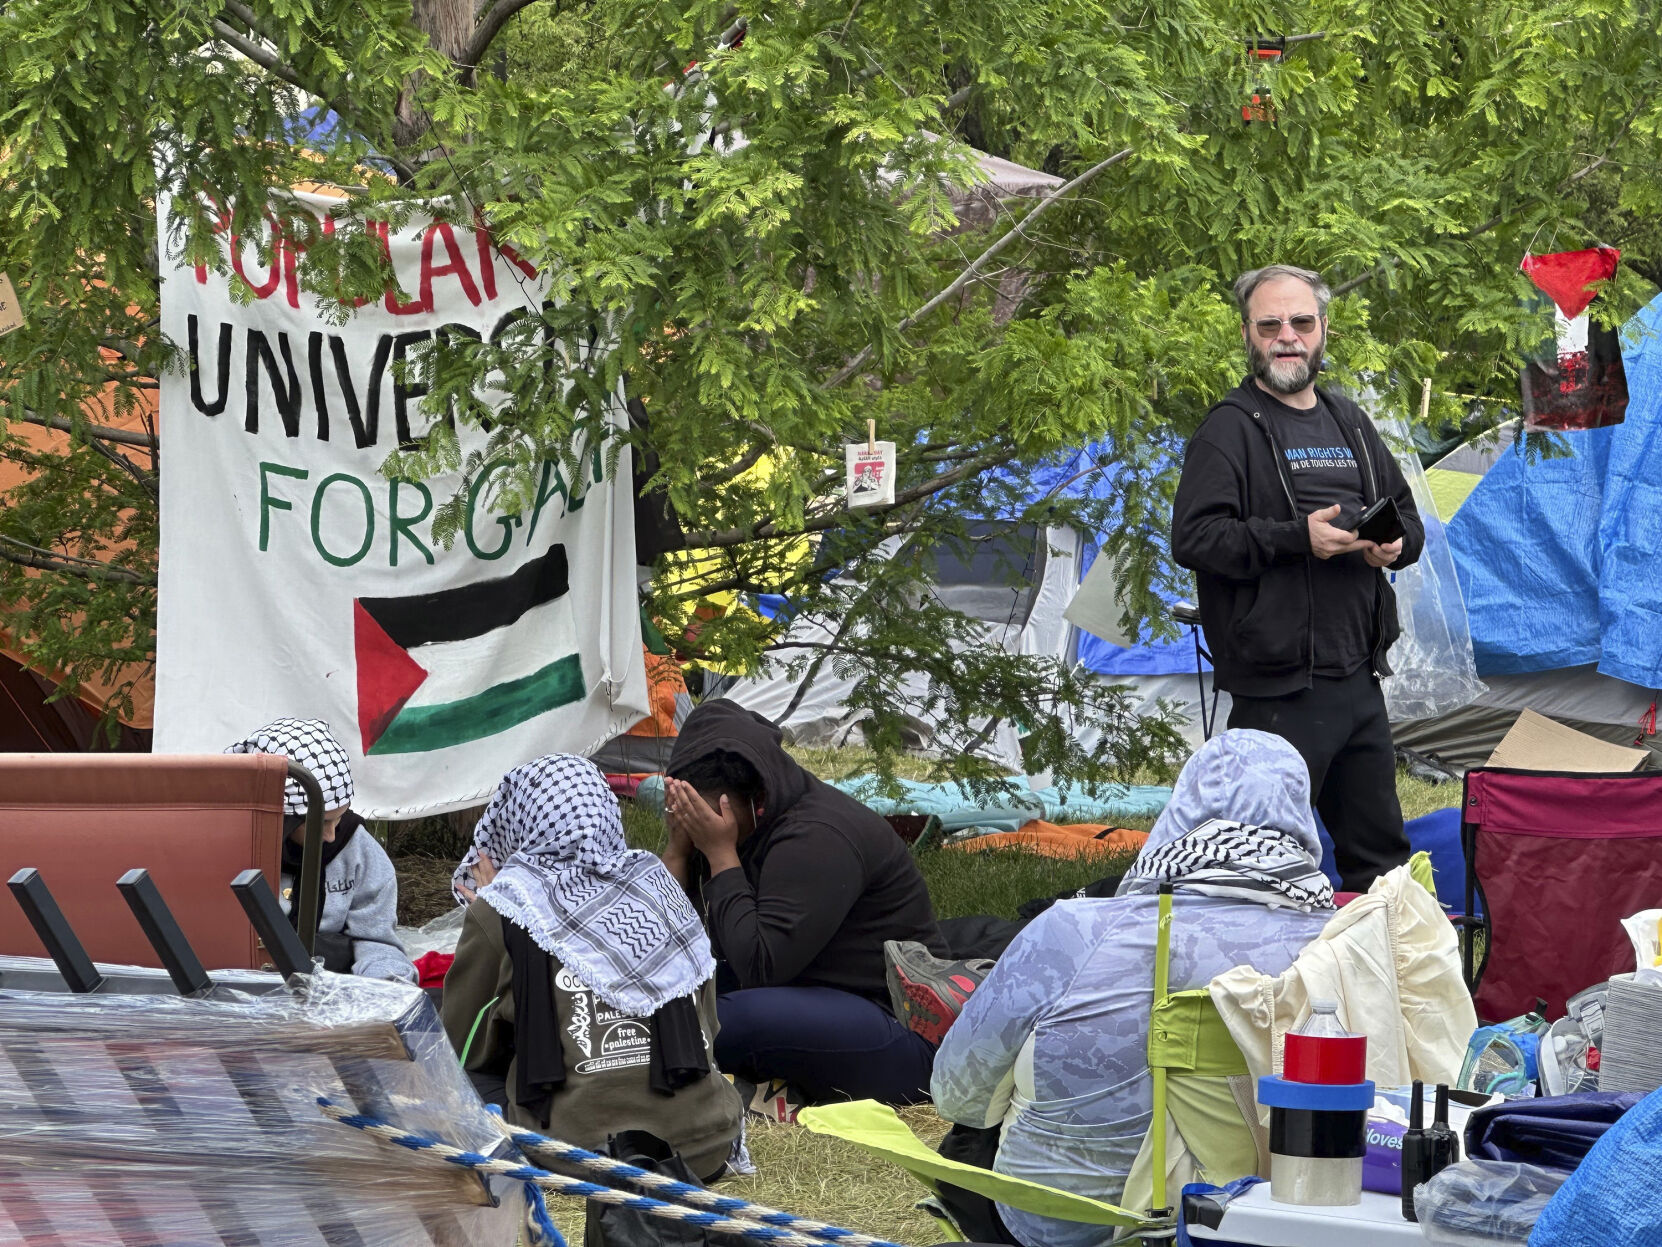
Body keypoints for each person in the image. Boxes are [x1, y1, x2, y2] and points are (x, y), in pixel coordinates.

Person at [932, 730, 1336, 1247]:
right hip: (1261, 1219)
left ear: (1182, 807)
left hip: (1064, 1222)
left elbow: (959, 1095)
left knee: (969, 1137)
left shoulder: (1074, 931)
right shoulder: (1339, 945)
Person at [1170, 263, 1425, 893]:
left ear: (1323, 330)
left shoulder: (1349, 421)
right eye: (1270, 324)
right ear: (1248, 335)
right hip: (1277, 688)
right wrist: (1296, 538)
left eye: (1301, 322)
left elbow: (1410, 517)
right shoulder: (1229, 427)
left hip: (1358, 676)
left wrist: (1394, 545)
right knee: (1256, 863)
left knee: (1382, 863)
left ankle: (1382, 980)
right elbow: (1195, 539)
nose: (1288, 336)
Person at [441, 754, 743, 1180]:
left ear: (518, 820)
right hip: (705, 1145)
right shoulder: (658, 888)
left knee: (458, 1083)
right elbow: (707, 1030)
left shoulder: (502, 910)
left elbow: (462, 1045)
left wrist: (494, 913)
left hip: (578, 1153)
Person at [661, 698, 947, 1110]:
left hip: (896, 1029)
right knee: (660, 1002)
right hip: (805, 995)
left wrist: (721, 854)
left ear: (755, 797)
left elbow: (761, 967)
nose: (700, 827)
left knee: (713, 1021)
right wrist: (678, 853)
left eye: (708, 816)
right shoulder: (749, 825)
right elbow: (663, 951)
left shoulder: (816, 838)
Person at [226, 717, 414, 982]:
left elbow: (376, 942)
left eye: (340, 818)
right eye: (322, 822)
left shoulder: (356, 849)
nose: (331, 836)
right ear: (283, 818)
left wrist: (384, 987)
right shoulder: (229, 849)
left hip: (331, 988)